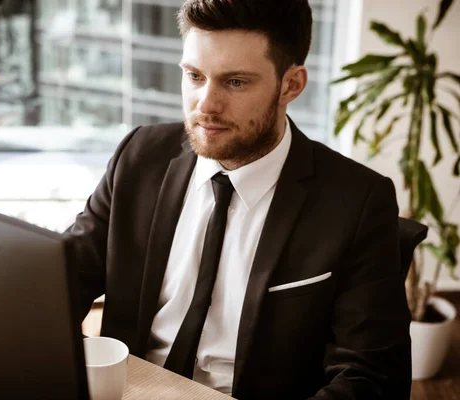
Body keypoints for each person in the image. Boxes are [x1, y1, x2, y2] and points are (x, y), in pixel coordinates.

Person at [61, 0, 411, 398]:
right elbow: (60, 283)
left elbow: (373, 378)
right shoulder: (139, 156)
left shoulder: (359, 201)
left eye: (235, 82)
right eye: (194, 75)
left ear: (291, 85)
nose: (206, 105)